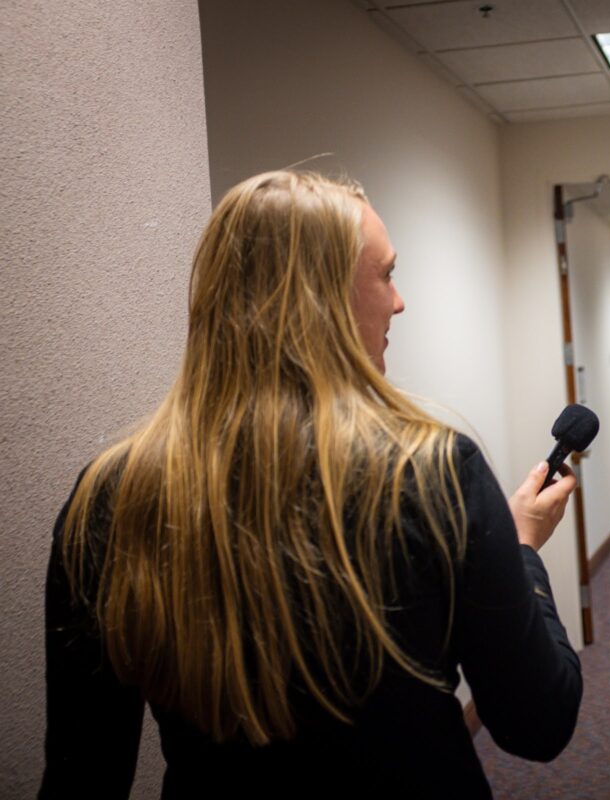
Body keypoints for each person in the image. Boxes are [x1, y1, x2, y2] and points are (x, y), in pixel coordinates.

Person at [41, 171, 582, 798]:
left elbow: (83, 774)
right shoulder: (432, 472)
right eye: (386, 274)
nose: (400, 301)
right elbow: (538, 722)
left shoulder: (111, 497)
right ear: (320, 298)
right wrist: (519, 553)